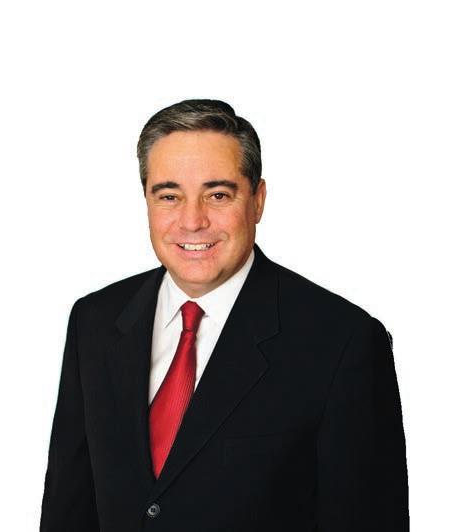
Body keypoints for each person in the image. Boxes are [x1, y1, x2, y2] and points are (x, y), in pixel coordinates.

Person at [40, 99, 409, 531]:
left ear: (258, 200)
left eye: (217, 195)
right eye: (169, 196)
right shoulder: (95, 321)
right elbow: (68, 511)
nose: (192, 221)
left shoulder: (343, 343)